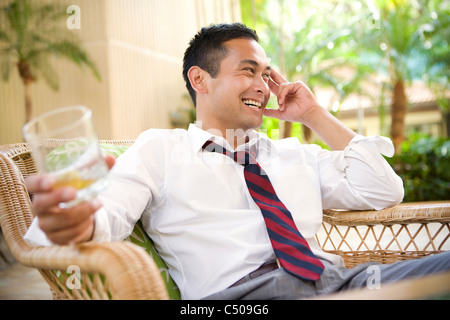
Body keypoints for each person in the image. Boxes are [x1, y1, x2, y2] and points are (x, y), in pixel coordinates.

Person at [24, 23, 449, 300]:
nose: (263, 85)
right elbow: (109, 213)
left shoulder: (289, 153)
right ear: (199, 80)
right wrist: (77, 219)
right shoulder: (161, 149)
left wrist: (313, 116)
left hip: (344, 283)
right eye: (249, 71)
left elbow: (383, 189)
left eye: (267, 74)